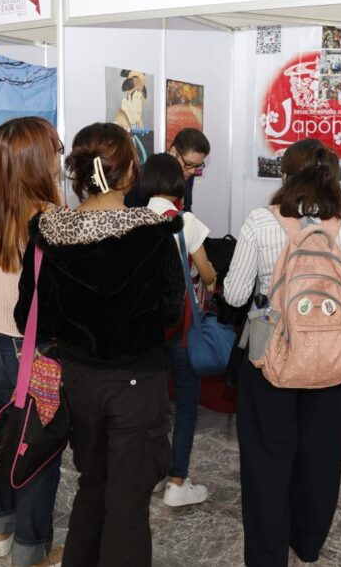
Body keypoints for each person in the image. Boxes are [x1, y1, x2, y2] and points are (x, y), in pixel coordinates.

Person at [15, 122, 185, 566]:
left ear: (79, 174)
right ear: (130, 172)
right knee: (127, 505)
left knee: (92, 485)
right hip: (136, 384)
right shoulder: (155, 231)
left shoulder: (48, 231)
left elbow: (27, 315)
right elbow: (171, 314)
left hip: (77, 384)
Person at [223, 139, 341, 566]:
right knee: (320, 456)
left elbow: (235, 294)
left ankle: (268, 556)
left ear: (284, 175)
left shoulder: (261, 221)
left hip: (271, 358)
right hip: (331, 361)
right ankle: (307, 543)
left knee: (266, 460)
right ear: (334, 177)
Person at [0, 117, 65, 567]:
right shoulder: (50, 217)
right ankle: (29, 552)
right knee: (38, 454)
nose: (59, 159)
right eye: (54, 150)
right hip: (36, 352)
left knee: (11, 441)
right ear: (35, 160)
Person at [138, 153, 217, 507]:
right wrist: (209, 279)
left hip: (145, 333)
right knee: (186, 406)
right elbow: (208, 273)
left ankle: (152, 473)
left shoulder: (133, 219)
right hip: (182, 329)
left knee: (153, 406)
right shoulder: (185, 221)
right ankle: (177, 481)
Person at [125, 127, 210, 212]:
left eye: (197, 165)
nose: (193, 171)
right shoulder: (145, 176)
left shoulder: (187, 171)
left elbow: (186, 208)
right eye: (189, 164)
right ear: (173, 152)